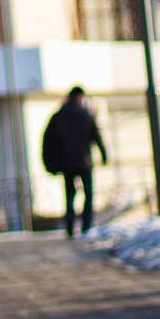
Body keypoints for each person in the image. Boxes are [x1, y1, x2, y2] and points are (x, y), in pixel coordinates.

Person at [41, 87, 107, 238]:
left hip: (66, 163)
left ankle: (70, 226)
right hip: (84, 162)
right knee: (88, 194)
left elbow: (48, 141)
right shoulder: (85, 114)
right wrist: (104, 155)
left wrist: (49, 164)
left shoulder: (58, 116)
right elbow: (97, 136)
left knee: (70, 195)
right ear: (80, 97)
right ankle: (87, 225)